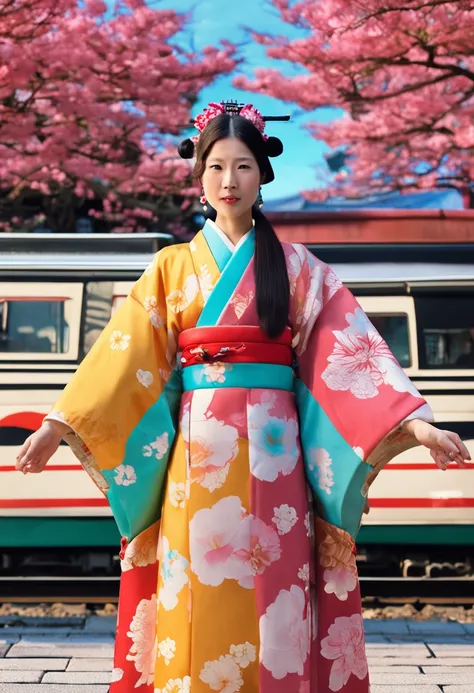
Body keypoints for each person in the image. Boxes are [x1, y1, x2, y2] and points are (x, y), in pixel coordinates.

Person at [16, 101, 470, 693]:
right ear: (199, 176)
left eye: (245, 167)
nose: (229, 181)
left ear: (263, 176)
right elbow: (121, 360)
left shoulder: (300, 269)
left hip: (279, 464)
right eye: (217, 167)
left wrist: (415, 425)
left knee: (278, 593)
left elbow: (353, 357)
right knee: (196, 591)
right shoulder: (170, 268)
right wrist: (58, 424)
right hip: (195, 463)